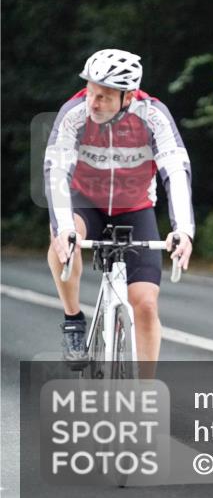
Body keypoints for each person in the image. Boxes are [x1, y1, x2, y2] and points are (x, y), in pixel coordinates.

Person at [45, 49, 194, 374]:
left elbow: (175, 169)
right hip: (85, 202)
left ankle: (145, 390)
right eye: (91, 92)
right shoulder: (73, 113)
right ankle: (73, 321)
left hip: (134, 209)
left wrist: (183, 229)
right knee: (62, 244)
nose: (93, 103)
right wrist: (64, 227)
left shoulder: (153, 115)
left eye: (105, 97)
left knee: (146, 304)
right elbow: (56, 171)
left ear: (128, 97)